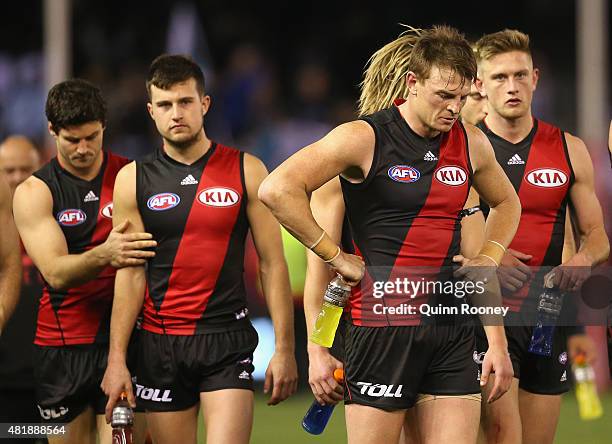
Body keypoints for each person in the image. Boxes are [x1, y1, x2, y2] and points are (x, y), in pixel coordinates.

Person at [260, 25, 520, 444]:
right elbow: (277, 191)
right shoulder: (360, 140)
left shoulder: (470, 144)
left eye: (461, 97)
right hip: (379, 332)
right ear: (411, 84)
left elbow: (508, 205)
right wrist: (319, 338)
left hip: (449, 329)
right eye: (444, 96)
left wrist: (489, 257)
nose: (454, 108)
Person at [101, 54, 298, 444]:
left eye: (186, 102)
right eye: (165, 105)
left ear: (204, 104)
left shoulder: (247, 169)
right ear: (151, 112)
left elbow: (272, 265)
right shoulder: (132, 180)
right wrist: (117, 358)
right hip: (160, 344)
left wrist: (285, 350)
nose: (176, 113)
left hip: (227, 339)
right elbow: (130, 272)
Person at [472, 29, 610, 444]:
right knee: (501, 436)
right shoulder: (462, 148)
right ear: (479, 85)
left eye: (519, 75)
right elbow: (438, 231)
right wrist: (490, 256)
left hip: (547, 315)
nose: (511, 87)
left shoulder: (569, 148)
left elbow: (597, 236)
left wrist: (583, 260)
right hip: (485, 317)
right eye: (498, 77)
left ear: (535, 77)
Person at [12, 79, 154, 444]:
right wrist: (107, 253)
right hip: (62, 348)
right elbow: (56, 273)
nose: (83, 148)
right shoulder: (34, 192)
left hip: (126, 344)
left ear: (104, 126)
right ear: (52, 130)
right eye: (72, 140)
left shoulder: (132, 177)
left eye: (92, 137)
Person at [0, 136, 44, 444]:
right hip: (4, 382)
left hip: (49, 379)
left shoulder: (57, 221)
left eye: (25, 169)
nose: (16, 177)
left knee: (51, 437)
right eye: (8, 170)